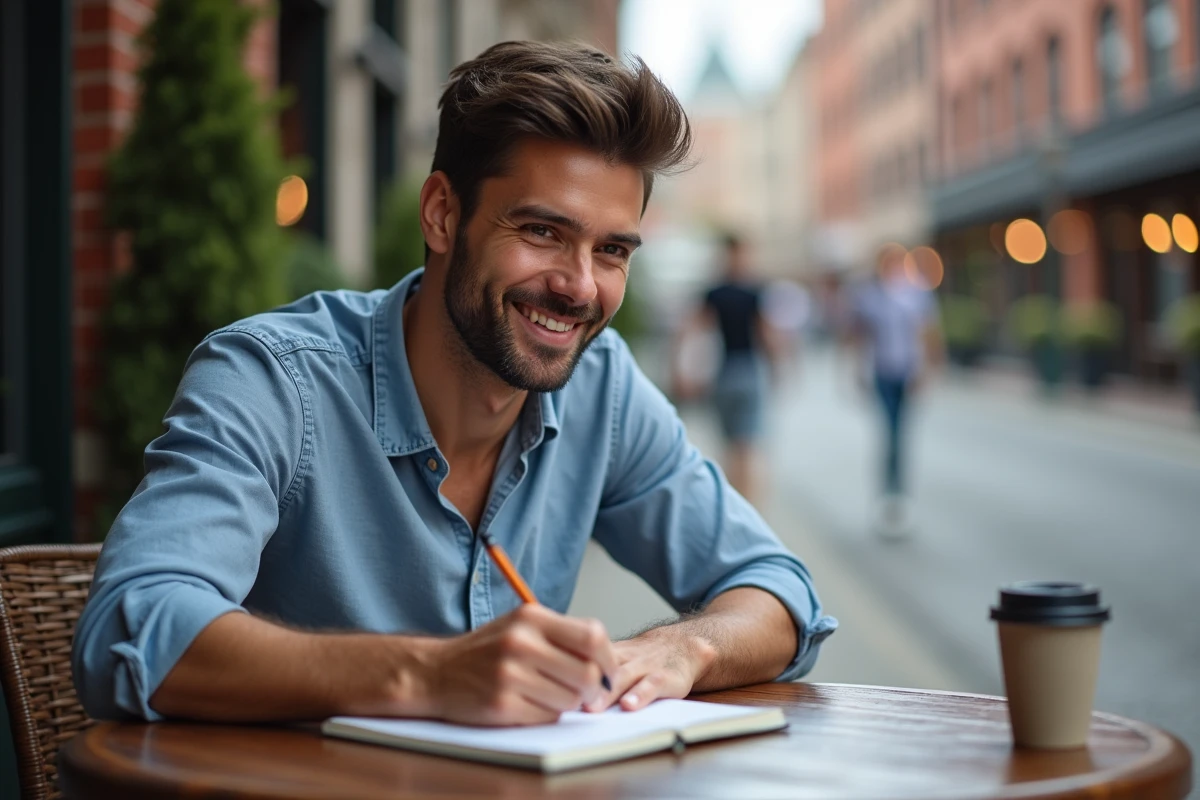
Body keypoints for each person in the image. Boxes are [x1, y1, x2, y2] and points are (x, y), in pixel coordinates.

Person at [73, 42, 836, 727]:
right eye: (542, 231)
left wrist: (682, 649)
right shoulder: (273, 380)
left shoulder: (602, 389)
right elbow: (129, 631)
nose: (579, 286)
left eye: (612, 251)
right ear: (442, 214)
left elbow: (777, 591)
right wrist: (427, 674)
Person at [673, 234, 778, 504]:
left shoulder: (714, 293)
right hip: (747, 371)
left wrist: (681, 369)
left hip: (722, 373)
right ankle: (750, 506)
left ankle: (735, 505)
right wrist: (777, 367)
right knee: (747, 446)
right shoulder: (754, 292)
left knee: (731, 447)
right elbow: (767, 334)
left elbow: (689, 331)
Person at [849, 243, 942, 539]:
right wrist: (857, 369)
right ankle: (888, 494)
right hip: (882, 372)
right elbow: (860, 335)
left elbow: (928, 332)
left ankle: (900, 494)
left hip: (907, 372)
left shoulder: (917, 293)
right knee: (889, 433)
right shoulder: (870, 295)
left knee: (901, 434)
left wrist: (928, 369)